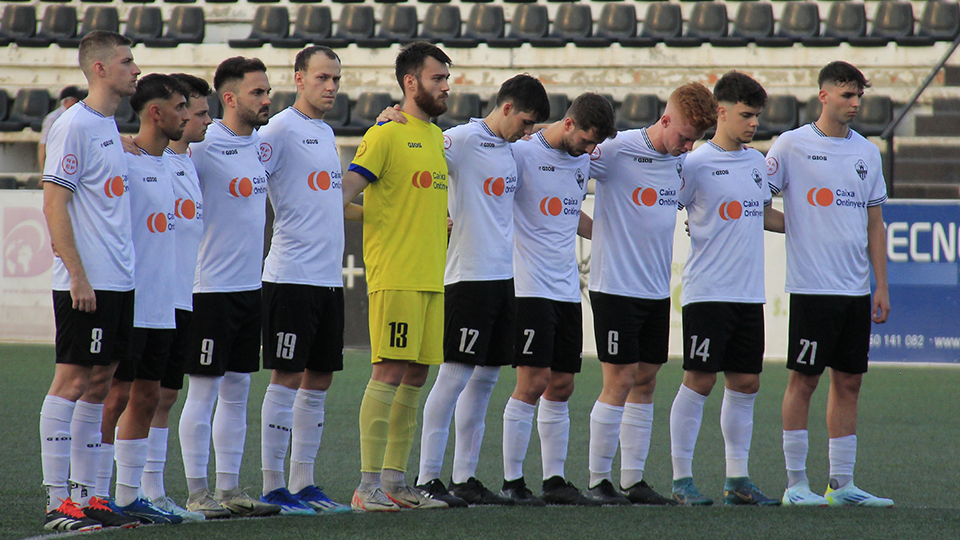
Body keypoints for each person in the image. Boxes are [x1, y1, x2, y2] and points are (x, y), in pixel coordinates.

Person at [414, 74, 550, 507]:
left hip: (501, 279)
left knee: (486, 380)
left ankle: (464, 478)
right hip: (466, 278)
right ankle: (426, 478)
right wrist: (390, 119)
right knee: (453, 376)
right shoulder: (460, 140)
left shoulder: (511, 150)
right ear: (506, 107)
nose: (528, 132)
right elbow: (414, 156)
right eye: (526, 122)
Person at [767, 61, 893, 507]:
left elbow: (874, 224)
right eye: (846, 94)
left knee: (850, 382)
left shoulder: (867, 152)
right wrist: (797, 224)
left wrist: (881, 285)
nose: (855, 103)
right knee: (804, 381)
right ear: (823, 96)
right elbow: (756, 201)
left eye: (859, 95)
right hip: (812, 287)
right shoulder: (791, 145)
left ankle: (842, 485)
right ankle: (796, 484)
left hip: (855, 290)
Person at [585, 83, 716, 505]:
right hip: (615, 286)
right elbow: (560, 158)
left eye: (696, 138)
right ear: (664, 119)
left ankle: (633, 480)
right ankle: (598, 480)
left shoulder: (681, 163)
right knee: (619, 379)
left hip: (656, 288)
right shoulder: (617, 149)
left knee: (646, 381)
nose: (688, 145)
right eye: (684, 135)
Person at [340, 42, 453, 512]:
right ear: (411, 83)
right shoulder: (385, 134)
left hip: (431, 276)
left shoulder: (434, 138)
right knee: (388, 371)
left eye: (447, 79)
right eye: (437, 79)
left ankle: (395, 483)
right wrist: (376, 218)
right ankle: (366, 487)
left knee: (416, 376)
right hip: (397, 273)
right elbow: (339, 195)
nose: (446, 87)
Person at [39, 30, 140, 532]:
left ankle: (89, 495)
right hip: (88, 283)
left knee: (101, 384)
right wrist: (76, 274)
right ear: (99, 69)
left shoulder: (107, 128)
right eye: (126, 61)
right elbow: (54, 201)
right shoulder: (74, 124)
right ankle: (59, 501)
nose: (135, 69)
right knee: (73, 380)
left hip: (119, 281)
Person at [668, 71, 784, 507]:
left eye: (757, 116)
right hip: (708, 292)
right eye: (746, 114)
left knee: (747, 381)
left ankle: (737, 480)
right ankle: (682, 480)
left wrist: (807, 225)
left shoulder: (757, 163)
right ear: (721, 112)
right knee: (699, 380)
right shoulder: (694, 163)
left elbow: (764, 215)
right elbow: (670, 208)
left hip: (748, 292)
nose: (753, 123)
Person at [500, 92, 616, 506]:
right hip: (529, 287)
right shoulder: (521, 153)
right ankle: (512, 481)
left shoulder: (583, 159)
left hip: (567, 288)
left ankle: (554, 480)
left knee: (562, 384)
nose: (590, 151)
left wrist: (607, 233)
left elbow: (569, 212)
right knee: (531, 382)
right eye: (586, 141)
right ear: (569, 124)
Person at [177, 56, 280, 518]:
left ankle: (230, 490)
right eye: (258, 92)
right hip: (209, 289)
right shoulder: (202, 144)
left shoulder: (261, 144)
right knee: (203, 391)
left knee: (238, 390)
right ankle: (197, 491)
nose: (267, 99)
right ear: (230, 98)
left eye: (268, 91)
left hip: (248, 288)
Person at [257, 45, 356, 515]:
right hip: (291, 277)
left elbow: (331, 203)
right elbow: (243, 172)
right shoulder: (279, 129)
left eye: (336, 78)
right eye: (322, 78)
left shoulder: (324, 131)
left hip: (326, 280)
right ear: (299, 78)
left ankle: (304, 483)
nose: (332, 86)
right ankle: (273, 485)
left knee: (319, 379)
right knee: (287, 376)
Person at [107, 73, 190, 525]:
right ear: (155, 112)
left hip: (165, 302)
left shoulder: (175, 163)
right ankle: (93, 491)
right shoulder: (125, 160)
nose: (186, 114)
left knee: (147, 397)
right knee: (114, 394)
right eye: (180, 107)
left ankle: (127, 495)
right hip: (131, 300)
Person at [140, 72, 214, 521]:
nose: (199, 119)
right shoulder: (151, 159)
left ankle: (151, 490)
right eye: (192, 110)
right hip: (153, 297)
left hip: (183, 296)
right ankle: (130, 490)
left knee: (165, 396)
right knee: (134, 396)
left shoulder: (189, 160)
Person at [38, 86, 86, 171]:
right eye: (76, 101)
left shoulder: (82, 117)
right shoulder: (53, 119)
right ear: (66, 101)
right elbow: (43, 145)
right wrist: (43, 172)